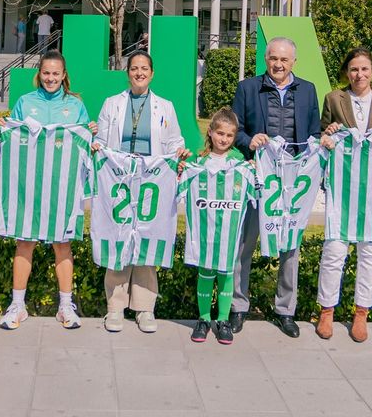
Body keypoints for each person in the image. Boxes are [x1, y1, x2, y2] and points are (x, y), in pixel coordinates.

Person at [0, 50, 98, 331]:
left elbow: (85, 142)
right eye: (46, 73)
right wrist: (4, 129)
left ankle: (65, 305)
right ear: (38, 74)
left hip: (62, 187)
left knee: (62, 244)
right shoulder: (24, 102)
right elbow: (11, 138)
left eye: (56, 73)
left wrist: (91, 131)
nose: (50, 78)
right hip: (28, 186)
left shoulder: (75, 105)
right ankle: (18, 305)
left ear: (64, 76)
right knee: (24, 242)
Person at [230, 37, 320, 338]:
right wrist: (248, 141)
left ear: (293, 61)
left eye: (283, 60)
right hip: (259, 179)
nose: (278, 65)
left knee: (290, 246)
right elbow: (235, 129)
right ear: (265, 60)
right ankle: (238, 307)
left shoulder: (307, 90)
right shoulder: (248, 88)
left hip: (293, 182)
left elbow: (314, 132)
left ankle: (285, 310)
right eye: (272, 59)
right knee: (245, 244)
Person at [93, 51, 189, 333]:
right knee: (119, 237)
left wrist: (179, 153)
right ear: (128, 73)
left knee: (147, 236)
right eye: (134, 68)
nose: (139, 73)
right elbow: (100, 138)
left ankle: (145, 308)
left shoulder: (165, 106)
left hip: (151, 180)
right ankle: (115, 308)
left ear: (152, 73)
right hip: (119, 179)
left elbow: (174, 142)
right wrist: (97, 146)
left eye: (144, 68)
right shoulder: (112, 104)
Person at [315, 48, 372, 343]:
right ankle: (327, 311)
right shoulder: (333, 98)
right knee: (334, 250)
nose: (359, 75)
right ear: (346, 72)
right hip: (343, 186)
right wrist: (329, 130)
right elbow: (321, 132)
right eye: (353, 69)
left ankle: (361, 313)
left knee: (370, 252)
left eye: (364, 69)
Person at [182, 108, 254, 345]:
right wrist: (181, 169)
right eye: (220, 133)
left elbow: (256, 190)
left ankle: (223, 320)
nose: (224, 139)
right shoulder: (199, 161)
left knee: (225, 274)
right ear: (210, 132)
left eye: (229, 136)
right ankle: (203, 319)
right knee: (205, 273)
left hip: (229, 233)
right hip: (205, 233)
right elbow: (179, 188)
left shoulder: (239, 162)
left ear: (234, 138)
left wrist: (253, 171)